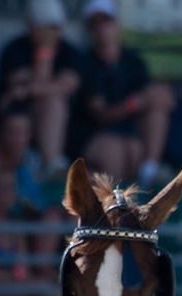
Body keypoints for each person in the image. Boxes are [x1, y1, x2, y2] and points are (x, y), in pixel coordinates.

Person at [74, 0, 174, 186]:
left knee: (157, 107)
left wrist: (153, 97)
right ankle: (115, 208)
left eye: (107, 20)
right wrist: (133, 104)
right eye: (96, 22)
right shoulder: (85, 63)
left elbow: (154, 99)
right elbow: (100, 115)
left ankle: (150, 169)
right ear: (89, 29)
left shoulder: (133, 62)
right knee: (115, 152)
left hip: (132, 133)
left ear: (116, 24)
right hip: (96, 136)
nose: (102, 27)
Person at [0, 0, 82, 174]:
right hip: (17, 113)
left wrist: (30, 89)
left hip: (62, 124)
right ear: (30, 24)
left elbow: (66, 86)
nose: (48, 32)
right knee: (49, 101)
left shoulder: (70, 53)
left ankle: (52, 164)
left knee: (53, 102)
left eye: (53, 27)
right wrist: (45, 53)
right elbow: (19, 87)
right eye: (43, 26)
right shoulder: (15, 49)